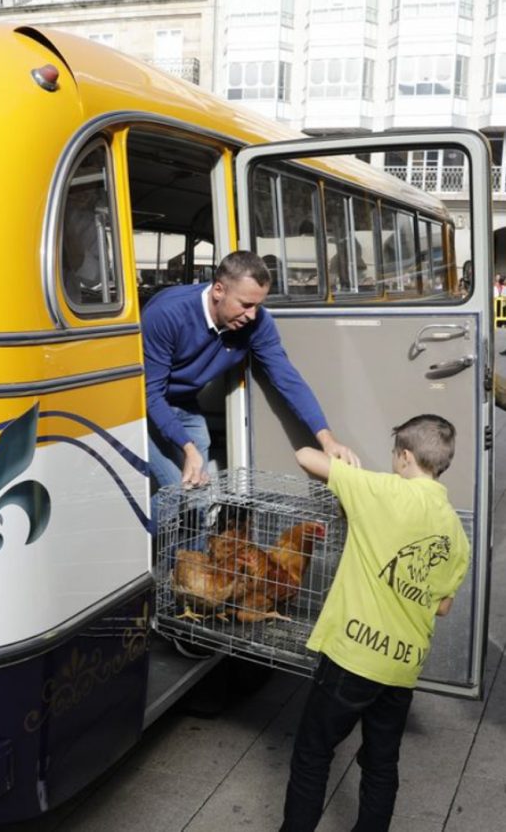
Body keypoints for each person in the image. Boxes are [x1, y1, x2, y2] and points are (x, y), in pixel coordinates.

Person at [280, 414, 470, 832]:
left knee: (313, 753)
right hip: (402, 668)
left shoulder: (381, 491)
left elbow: (304, 456)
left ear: (404, 456)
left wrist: (337, 452)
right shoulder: (457, 533)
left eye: (394, 456)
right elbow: (442, 608)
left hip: (353, 655)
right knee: (382, 763)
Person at [141, 250, 359, 508]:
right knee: (177, 495)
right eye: (245, 305)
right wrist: (189, 449)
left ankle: (193, 550)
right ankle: (141, 547)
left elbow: (287, 379)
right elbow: (150, 393)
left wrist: (326, 439)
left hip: (186, 404)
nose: (252, 315)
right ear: (219, 290)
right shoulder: (167, 314)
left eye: (258, 305)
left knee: (198, 498)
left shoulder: (257, 323)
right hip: (146, 408)